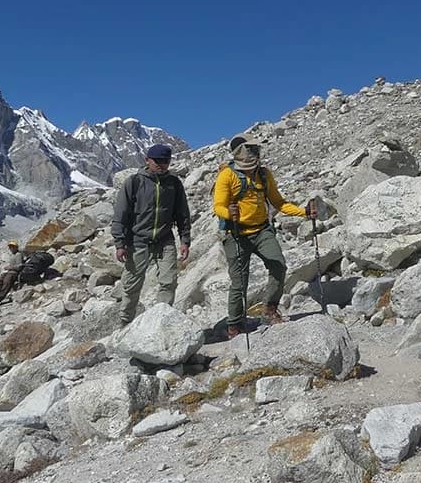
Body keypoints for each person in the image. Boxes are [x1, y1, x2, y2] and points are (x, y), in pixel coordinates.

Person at [213, 133, 316, 338]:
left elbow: (279, 203)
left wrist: (303, 213)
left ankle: (269, 309)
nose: (254, 152)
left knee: (278, 265)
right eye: (250, 149)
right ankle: (234, 325)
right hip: (235, 234)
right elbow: (219, 206)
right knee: (239, 282)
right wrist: (229, 214)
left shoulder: (263, 174)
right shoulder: (227, 175)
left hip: (261, 230)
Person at [112, 144, 191, 324]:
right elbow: (121, 214)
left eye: (166, 161)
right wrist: (120, 243)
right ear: (147, 160)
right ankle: (125, 323)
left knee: (168, 281)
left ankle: (160, 322)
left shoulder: (174, 184)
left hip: (165, 240)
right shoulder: (134, 182)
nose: (162, 165)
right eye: (158, 161)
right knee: (131, 285)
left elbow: (182, 214)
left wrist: (185, 240)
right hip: (138, 240)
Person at [0, 241, 25, 307]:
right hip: (9, 272)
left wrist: (9, 267)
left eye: (12, 247)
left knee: (6, 283)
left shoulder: (18, 255)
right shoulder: (13, 255)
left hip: (14, 273)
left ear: (16, 247)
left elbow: (20, 266)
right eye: (10, 247)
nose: (11, 248)